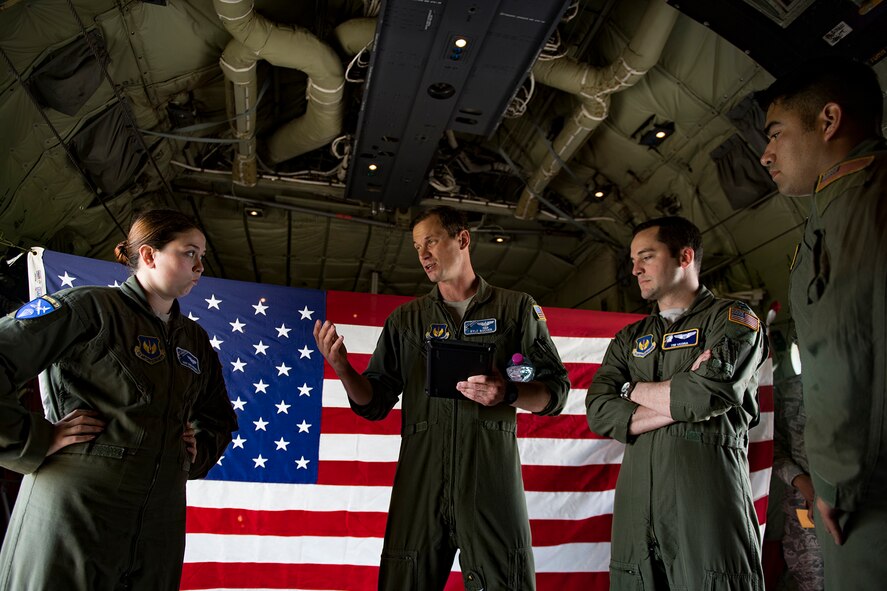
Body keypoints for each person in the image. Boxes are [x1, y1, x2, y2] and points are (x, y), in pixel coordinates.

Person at [313, 205, 570, 590]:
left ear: (462, 239)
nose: (423, 255)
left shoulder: (515, 309)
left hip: (489, 477)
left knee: (505, 578)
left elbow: (555, 393)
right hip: (423, 477)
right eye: (417, 247)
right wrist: (343, 368)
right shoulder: (407, 320)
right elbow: (374, 402)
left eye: (431, 241)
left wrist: (508, 391)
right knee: (406, 577)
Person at [0, 209, 238, 590]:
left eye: (202, 256)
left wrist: (194, 453)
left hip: (159, 523)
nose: (200, 266)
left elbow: (218, 418)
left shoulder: (195, 341)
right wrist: (34, 439)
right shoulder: (87, 309)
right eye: (189, 252)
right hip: (78, 509)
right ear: (148, 255)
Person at [758, 56, 887, 588]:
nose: (766, 155)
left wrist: (833, 484)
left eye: (777, 134)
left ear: (828, 120)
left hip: (868, 488)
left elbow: (847, 350)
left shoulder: (852, 208)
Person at [586, 216, 768, 589]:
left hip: (706, 500)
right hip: (637, 508)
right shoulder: (629, 338)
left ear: (684, 257)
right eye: (633, 259)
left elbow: (705, 395)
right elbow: (598, 411)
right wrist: (677, 394)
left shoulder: (733, 320)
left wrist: (628, 388)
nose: (635, 269)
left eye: (647, 257)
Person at [769, 327, 824, 591]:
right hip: (804, 512)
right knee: (812, 581)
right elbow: (772, 448)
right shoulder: (784, 392)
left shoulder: (862, 390)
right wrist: (803, 483)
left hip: (858, 507)